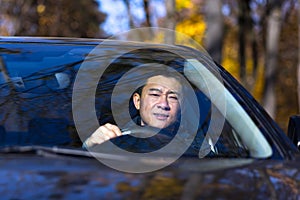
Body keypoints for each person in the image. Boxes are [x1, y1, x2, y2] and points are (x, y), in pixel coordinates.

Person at [83, 73, 183, 149]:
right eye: (155, 95)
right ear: (138, 101)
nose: (163, 104)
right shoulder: (114, 138)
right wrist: (90, 145)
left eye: (173, 97)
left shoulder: (193, 145)